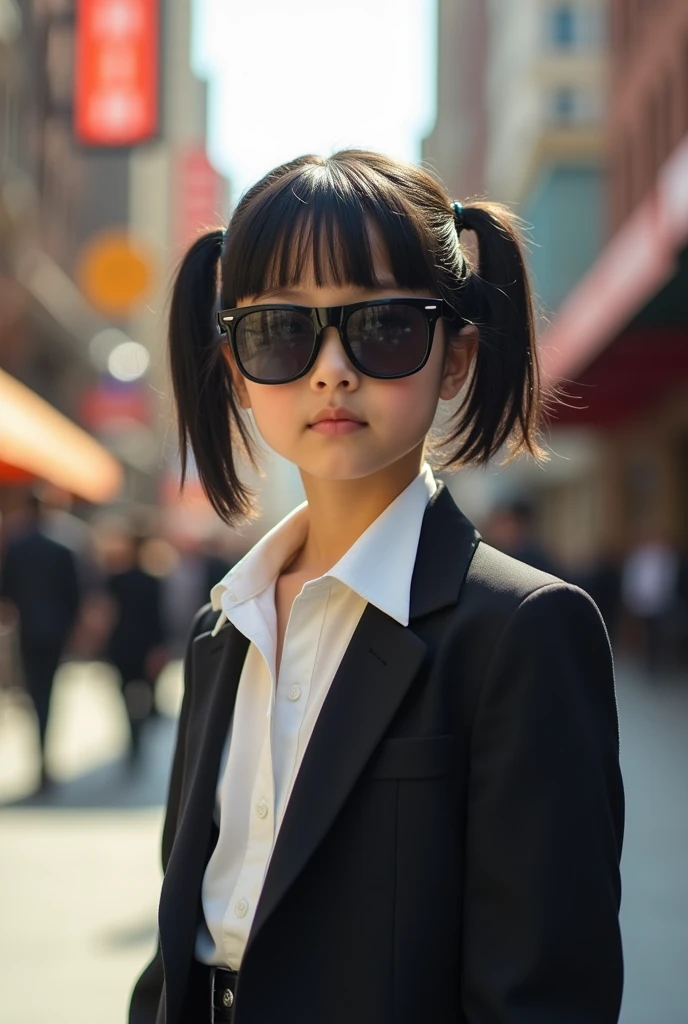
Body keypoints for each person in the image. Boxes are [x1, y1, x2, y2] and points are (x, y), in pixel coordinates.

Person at [129, 151, 624, 1024]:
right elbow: (188, 935)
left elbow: (543, 992)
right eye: (281, 329)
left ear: (457, 356)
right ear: (236, 367)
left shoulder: (523, 631)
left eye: (385, 326)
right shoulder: (224, 625)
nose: (331, 369)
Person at [0, 493, 80, 791]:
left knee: (35, 692)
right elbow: (75, 594)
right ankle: (45, 758)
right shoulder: (61, 547)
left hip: (28, 631)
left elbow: (6, 591)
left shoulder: (17, 547)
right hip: (55, 632)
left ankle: (40, 756)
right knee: (48, 692)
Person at [105, 531, 166, 764]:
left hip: (121, 642)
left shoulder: (116, 579)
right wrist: (160, 646)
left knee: (125, 688)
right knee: (144, 689)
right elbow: (159, 616)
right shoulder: (153, 580)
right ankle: (138, 730)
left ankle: (133, 733)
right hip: (146, 644)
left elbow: (106, 612)